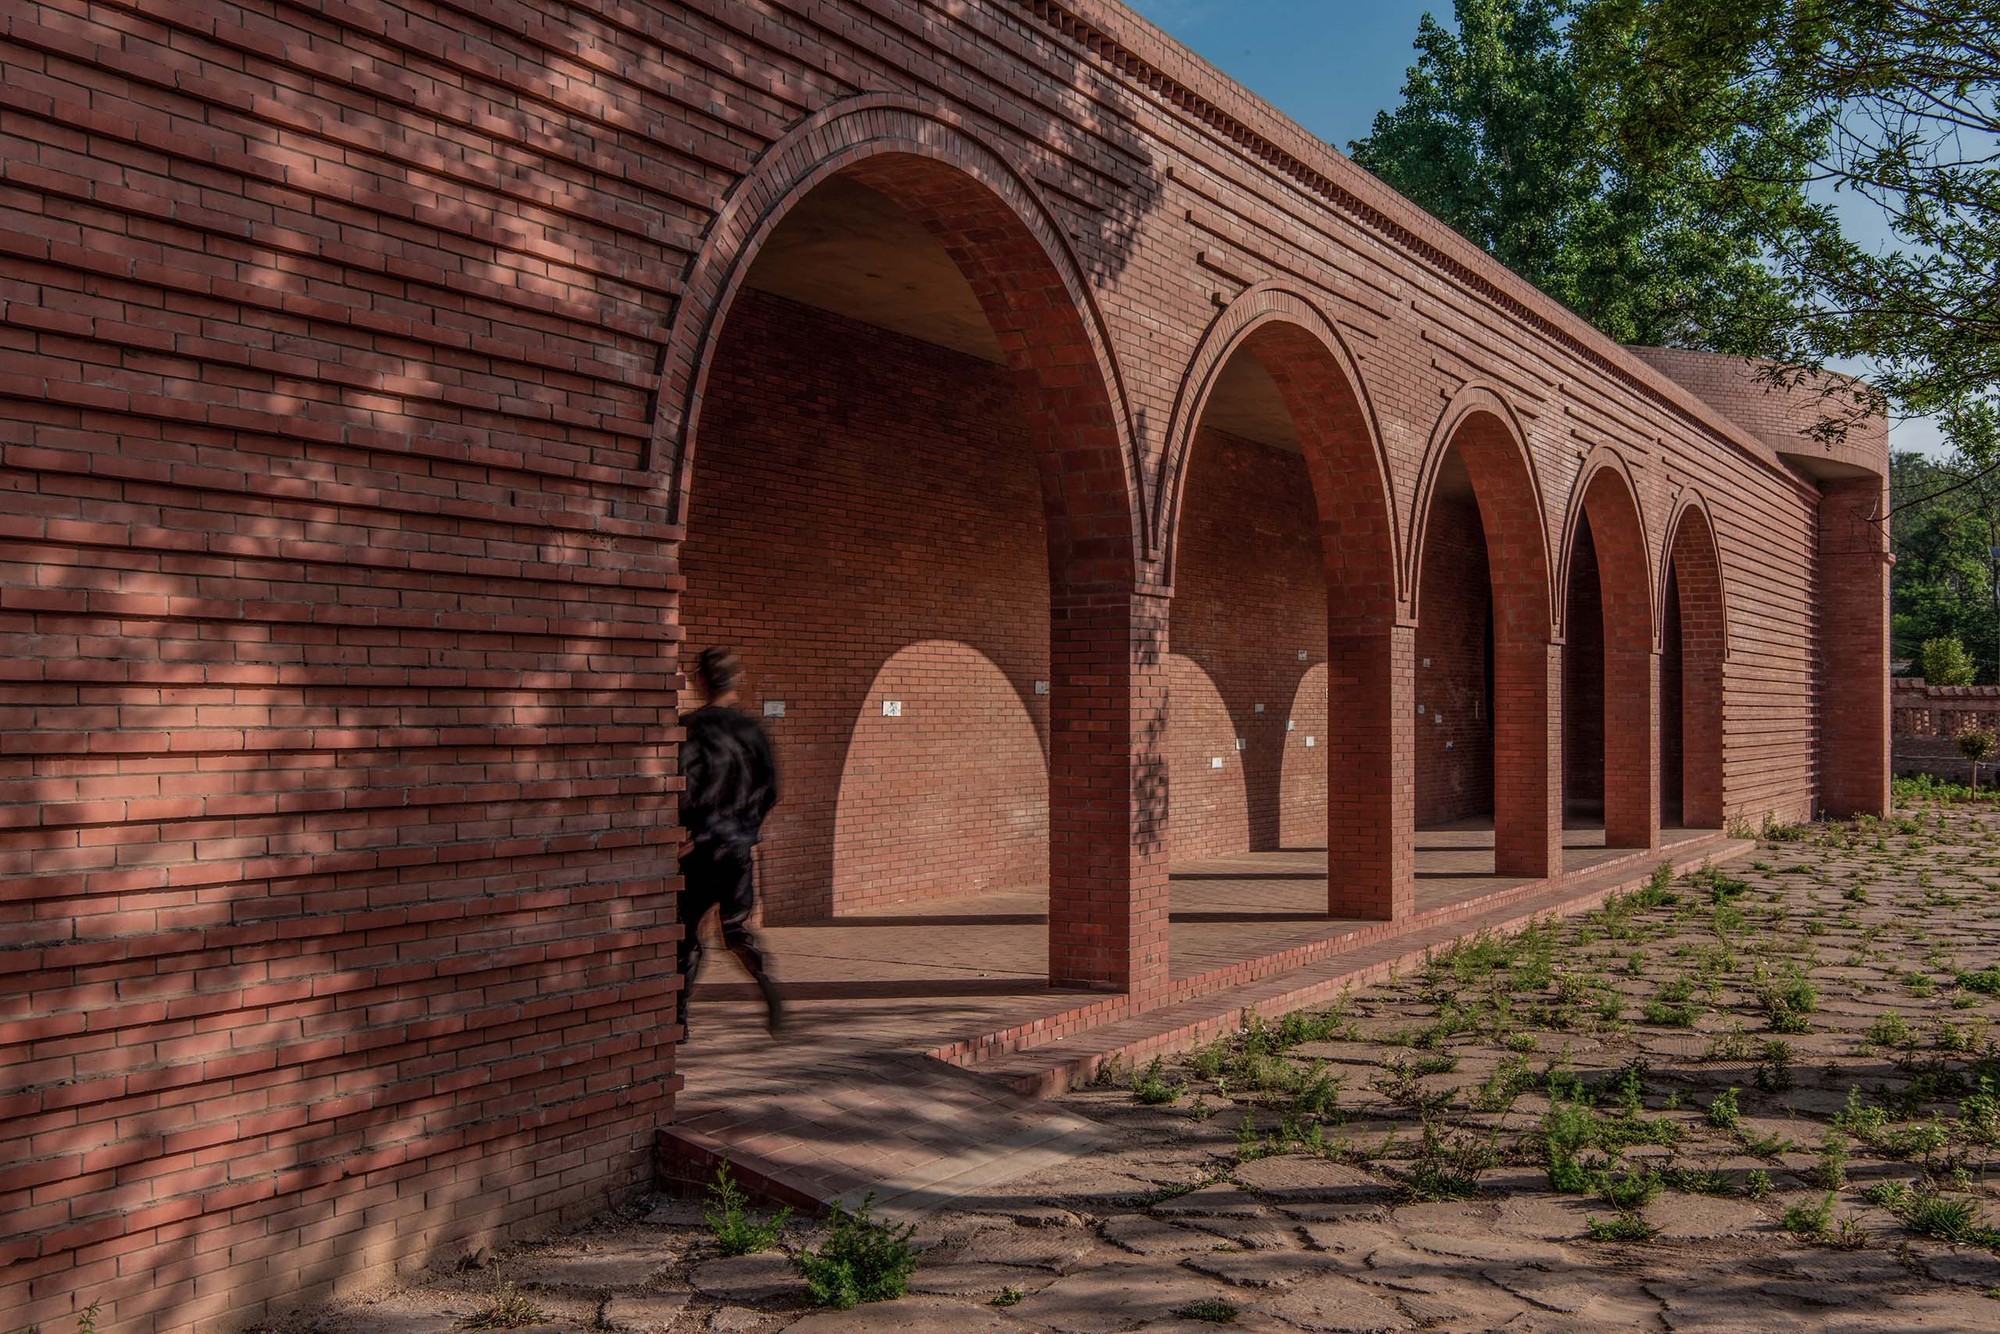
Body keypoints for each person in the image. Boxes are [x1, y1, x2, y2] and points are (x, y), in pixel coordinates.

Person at [675, 647, 784, 1037]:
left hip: (700, 848)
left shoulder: (690, 726)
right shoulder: (753, 730)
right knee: (734, 928)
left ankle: (679, 1018)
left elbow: (682, 786)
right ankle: (762, 977)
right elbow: (770, 788)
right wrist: (747, 828)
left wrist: (688, 828)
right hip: (738, 847)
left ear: (700, 679)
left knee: (685, 935)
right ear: (736, 680)